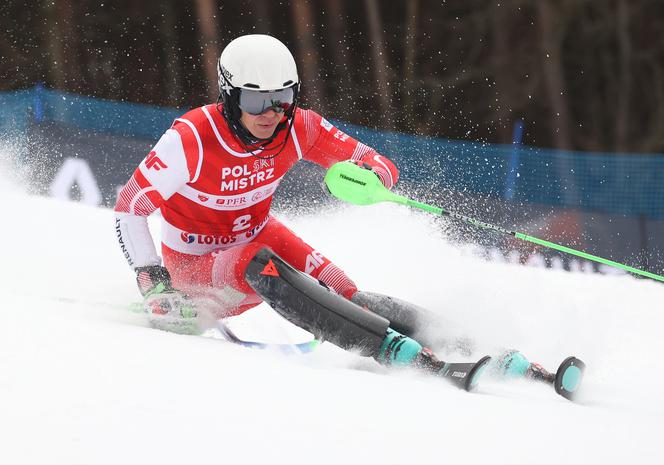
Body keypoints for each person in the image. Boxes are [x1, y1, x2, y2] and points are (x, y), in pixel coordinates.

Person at [114, 34, 553, 389]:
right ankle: (390, 351)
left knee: (344, 290)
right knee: (255, 259)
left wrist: (369, 179)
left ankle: (474, 346)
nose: (271, 113)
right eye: (255, 102)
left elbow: (378, 162)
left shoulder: (298, 126)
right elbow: (130, 206)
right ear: (229, 97)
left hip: (256, 238)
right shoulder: (191, 137)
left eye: (283, 98)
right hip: (197, 269)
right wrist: (153, 282)